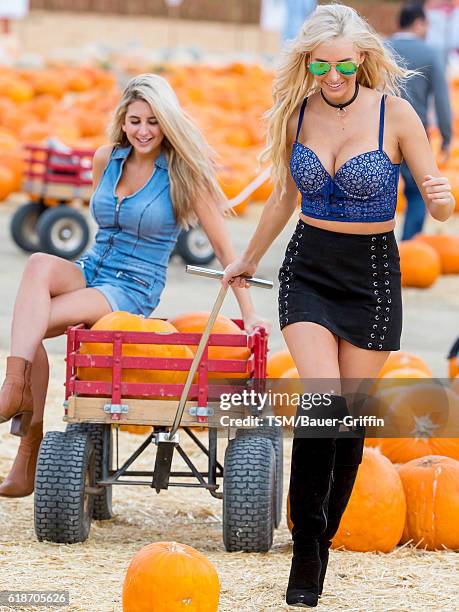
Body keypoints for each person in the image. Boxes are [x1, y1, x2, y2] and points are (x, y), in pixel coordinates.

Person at [222, 4, 454, 607]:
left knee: (348, 419)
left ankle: (323, 535)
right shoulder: (299, 114)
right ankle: (305, 549)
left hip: (373, 275)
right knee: (322, 405)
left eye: (343, 63)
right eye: (320, 63)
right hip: (310, 270)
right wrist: (247, 258)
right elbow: (280, 200)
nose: (332, 74)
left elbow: (438, 206)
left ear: (363, 60)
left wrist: (441, 196)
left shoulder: (397, 115)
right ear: (308, 63)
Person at [0, 73, 269, 498]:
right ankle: (15, 397)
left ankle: (25, 441)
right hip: (93, 267)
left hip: (132, 287)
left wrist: (249, 312)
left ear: (167, 124)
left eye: (153, 122)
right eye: (135, 121)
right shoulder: (106, 159)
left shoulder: (183, 176)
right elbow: (103, 226)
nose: (143, 131)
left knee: (30, 325)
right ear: (123, 122)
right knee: (36, 267)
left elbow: (226, 252)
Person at [387, 2, 453, 240]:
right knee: (417, 193)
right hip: (416, 134)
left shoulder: (381, 49)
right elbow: (443, 100)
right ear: (419, 22)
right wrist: (446, 137)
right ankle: (409, 246)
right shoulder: (429, 53)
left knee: (378, 191)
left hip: (377, 132)